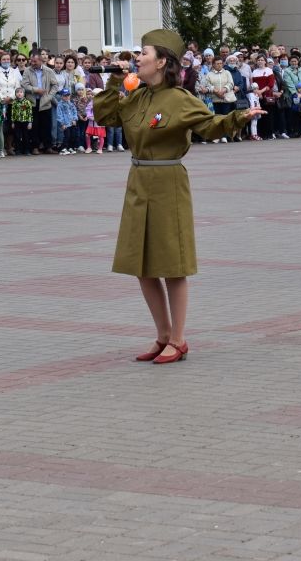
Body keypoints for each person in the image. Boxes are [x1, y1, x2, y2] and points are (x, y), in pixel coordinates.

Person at [92, 29, 264, 364]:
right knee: (142, 265)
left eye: (143, 53)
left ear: (161, 62)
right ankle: (162, 335)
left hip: (168, 181)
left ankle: (179, 339)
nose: (136, 58)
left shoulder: (180, 99)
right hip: (139, 181)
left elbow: (210, 125)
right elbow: (106, 116)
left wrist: (239, 118)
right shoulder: (138, 97)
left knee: (172, 265)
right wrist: (114, 83)